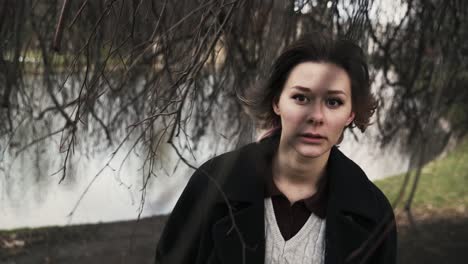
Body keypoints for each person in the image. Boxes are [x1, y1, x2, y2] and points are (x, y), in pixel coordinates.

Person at [154, 32, 397, 264]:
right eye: (301, 98)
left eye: (334, 102)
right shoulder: (212, 185)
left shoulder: (374, 214)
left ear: (350, 114)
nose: (316, 116)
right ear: (276, 102)